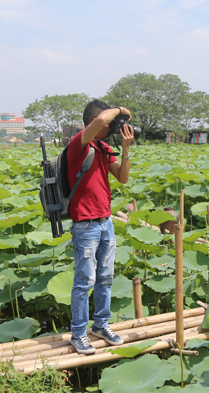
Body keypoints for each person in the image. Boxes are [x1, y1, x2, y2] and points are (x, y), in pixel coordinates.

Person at [67, 100, 134, 355]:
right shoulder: (80, 144)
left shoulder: (104, 147)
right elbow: (97, 121)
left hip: (106, 222)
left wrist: (126, 150)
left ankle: (101, 325)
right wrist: (121, 110)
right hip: (85, 225)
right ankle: (78, 333)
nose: (115, 127)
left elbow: (123, 177)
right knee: (84, 281)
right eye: (112, 124)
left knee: (105, 278)